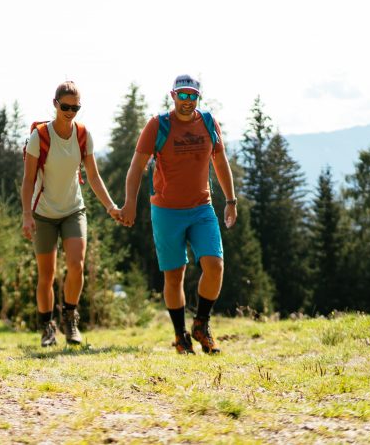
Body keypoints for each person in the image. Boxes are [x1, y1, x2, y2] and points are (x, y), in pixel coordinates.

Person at [114, 74, 237, 355]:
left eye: (192, 95)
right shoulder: (158, 125)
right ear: (172, 96)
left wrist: (230, 200)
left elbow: (220, 161)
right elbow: (136, 168)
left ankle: (201, 325)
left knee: (215, 265)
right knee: (174, 275)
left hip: (202, 208)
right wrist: (129, 203)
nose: (187, 101)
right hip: (166, 211)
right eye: (182, 95)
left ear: (198, 97)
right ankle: (181, 335)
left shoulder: (207, 122)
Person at [21, 81, 120, 347]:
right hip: (43, 213)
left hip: (73, 210)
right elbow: (28, 180)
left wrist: (111, 206)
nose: (70, 111)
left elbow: (94, 176)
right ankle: (47, 328)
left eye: (75, 107)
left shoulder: (83, 135)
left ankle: (70, 319)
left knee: (76, 266)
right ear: (55, 104)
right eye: (65, 106)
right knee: (47, 275)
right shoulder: (39, 137)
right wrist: (26, 215)